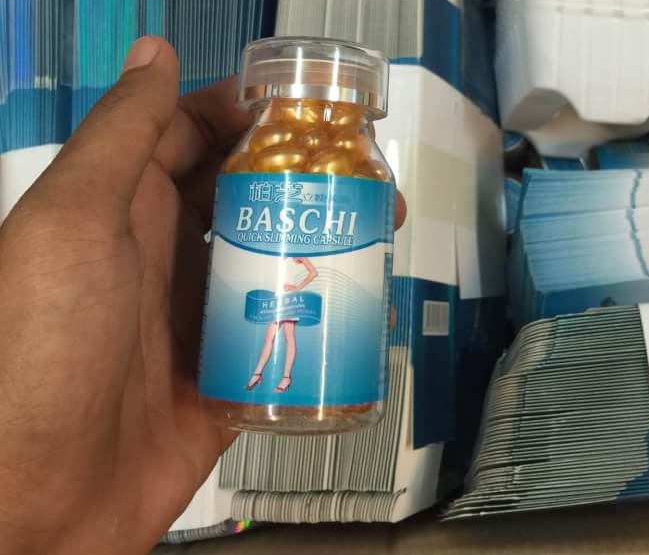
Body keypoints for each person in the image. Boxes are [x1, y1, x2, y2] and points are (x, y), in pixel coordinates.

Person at [0, 37, 405, 555]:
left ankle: (275, 378)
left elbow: (307, 270)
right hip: (267, 304)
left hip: (291, 306)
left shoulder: (362, 171)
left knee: (287, 339)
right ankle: (263, 377)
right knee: (271, 339)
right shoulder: (256, 165)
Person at [245, 258, 318, 393]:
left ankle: (286, 377)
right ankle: (257, 373)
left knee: (288, 337)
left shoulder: (299, 255)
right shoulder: (281, 256)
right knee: (268, 338)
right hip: (278, 300)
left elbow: (313, 273)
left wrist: (297, 288)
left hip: (289, 301)